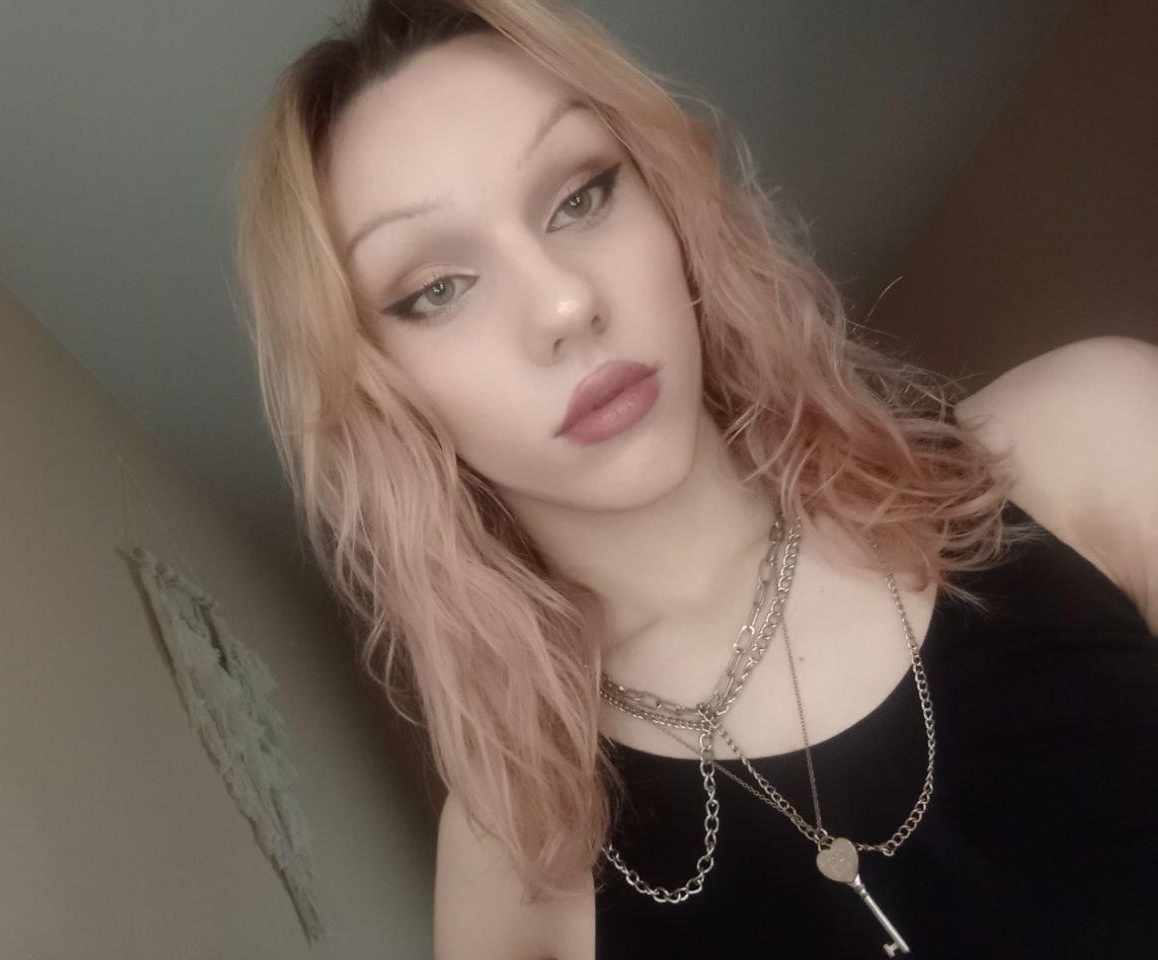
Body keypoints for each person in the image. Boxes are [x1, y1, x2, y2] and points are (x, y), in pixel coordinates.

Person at [231, 1, 1158, 957]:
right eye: (437, 289)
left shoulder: (1096, 435)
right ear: (379, 395)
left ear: (670, 201)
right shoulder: (513, 864)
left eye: (580, 196)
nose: (564, 303)